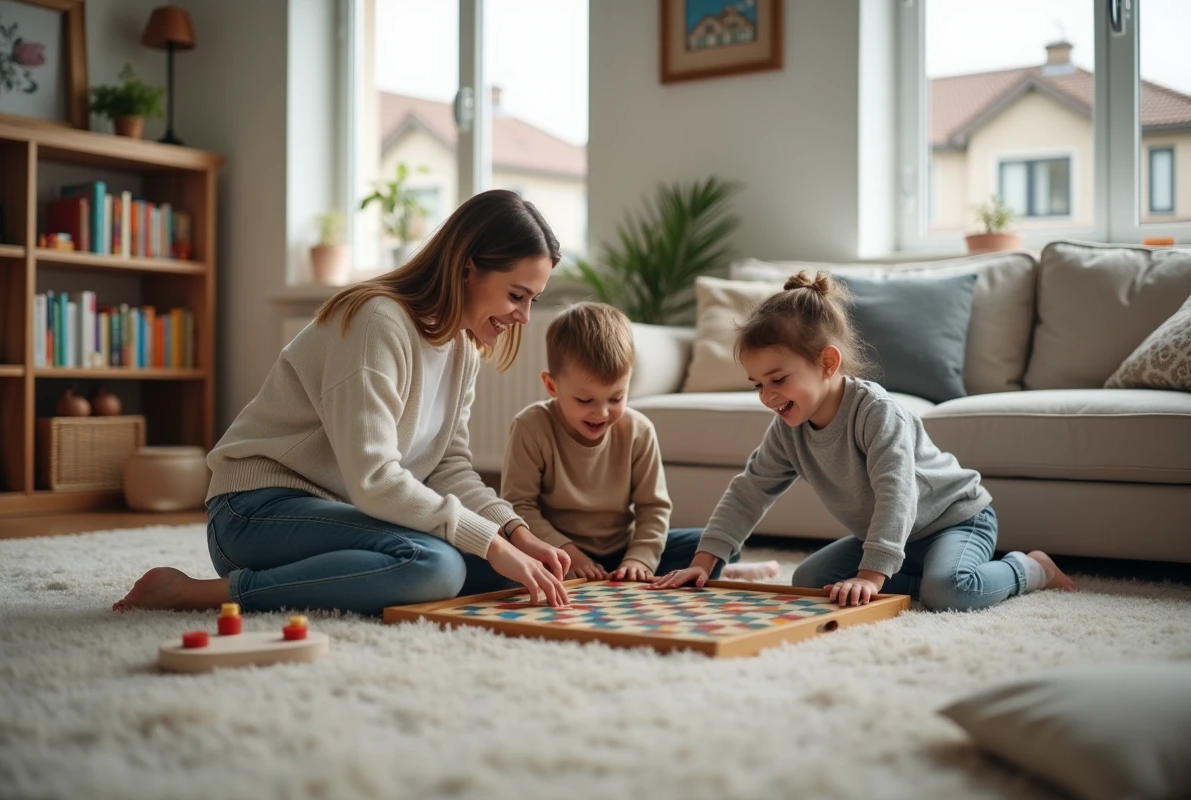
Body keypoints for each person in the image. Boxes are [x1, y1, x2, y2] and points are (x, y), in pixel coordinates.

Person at [115, 190, 573, 616]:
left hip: (352, 519)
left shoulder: (462, 350)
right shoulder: (378, 322)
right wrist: (491, 543)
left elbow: (449, 468)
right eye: (517, 296)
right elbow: (374, 478)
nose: (524, 317)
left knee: (504, 568)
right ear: (467, 267)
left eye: (533, 300)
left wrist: (515, 534)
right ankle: (194, 592)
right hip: (255, 512)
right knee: (439, 567)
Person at [653, 271, 1076, 609]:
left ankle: (1030, 567)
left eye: (778, 379)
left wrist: (872, 575)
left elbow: (897, 492)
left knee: (951, 591)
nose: (767, 396)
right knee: (811, 580)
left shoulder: (876, 413)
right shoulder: (787, 430)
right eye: (757, 384)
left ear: (827, 362)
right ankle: (918, 575)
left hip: (955, 520)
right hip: (897, 536)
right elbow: (748, 491)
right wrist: (704, 563)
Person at [500, 302, 778, 583]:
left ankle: (725, 570)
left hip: (622, 550)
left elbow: (653, 508)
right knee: (495, 564)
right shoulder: (531, 426)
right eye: (585, 400)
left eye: (616, 398)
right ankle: (725, 573)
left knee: (713, 547)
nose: (602, 413)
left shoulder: (639, 430)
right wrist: (566, 551)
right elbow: (519, 506)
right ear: (552, 386)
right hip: (554, 550)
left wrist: (638, 559)